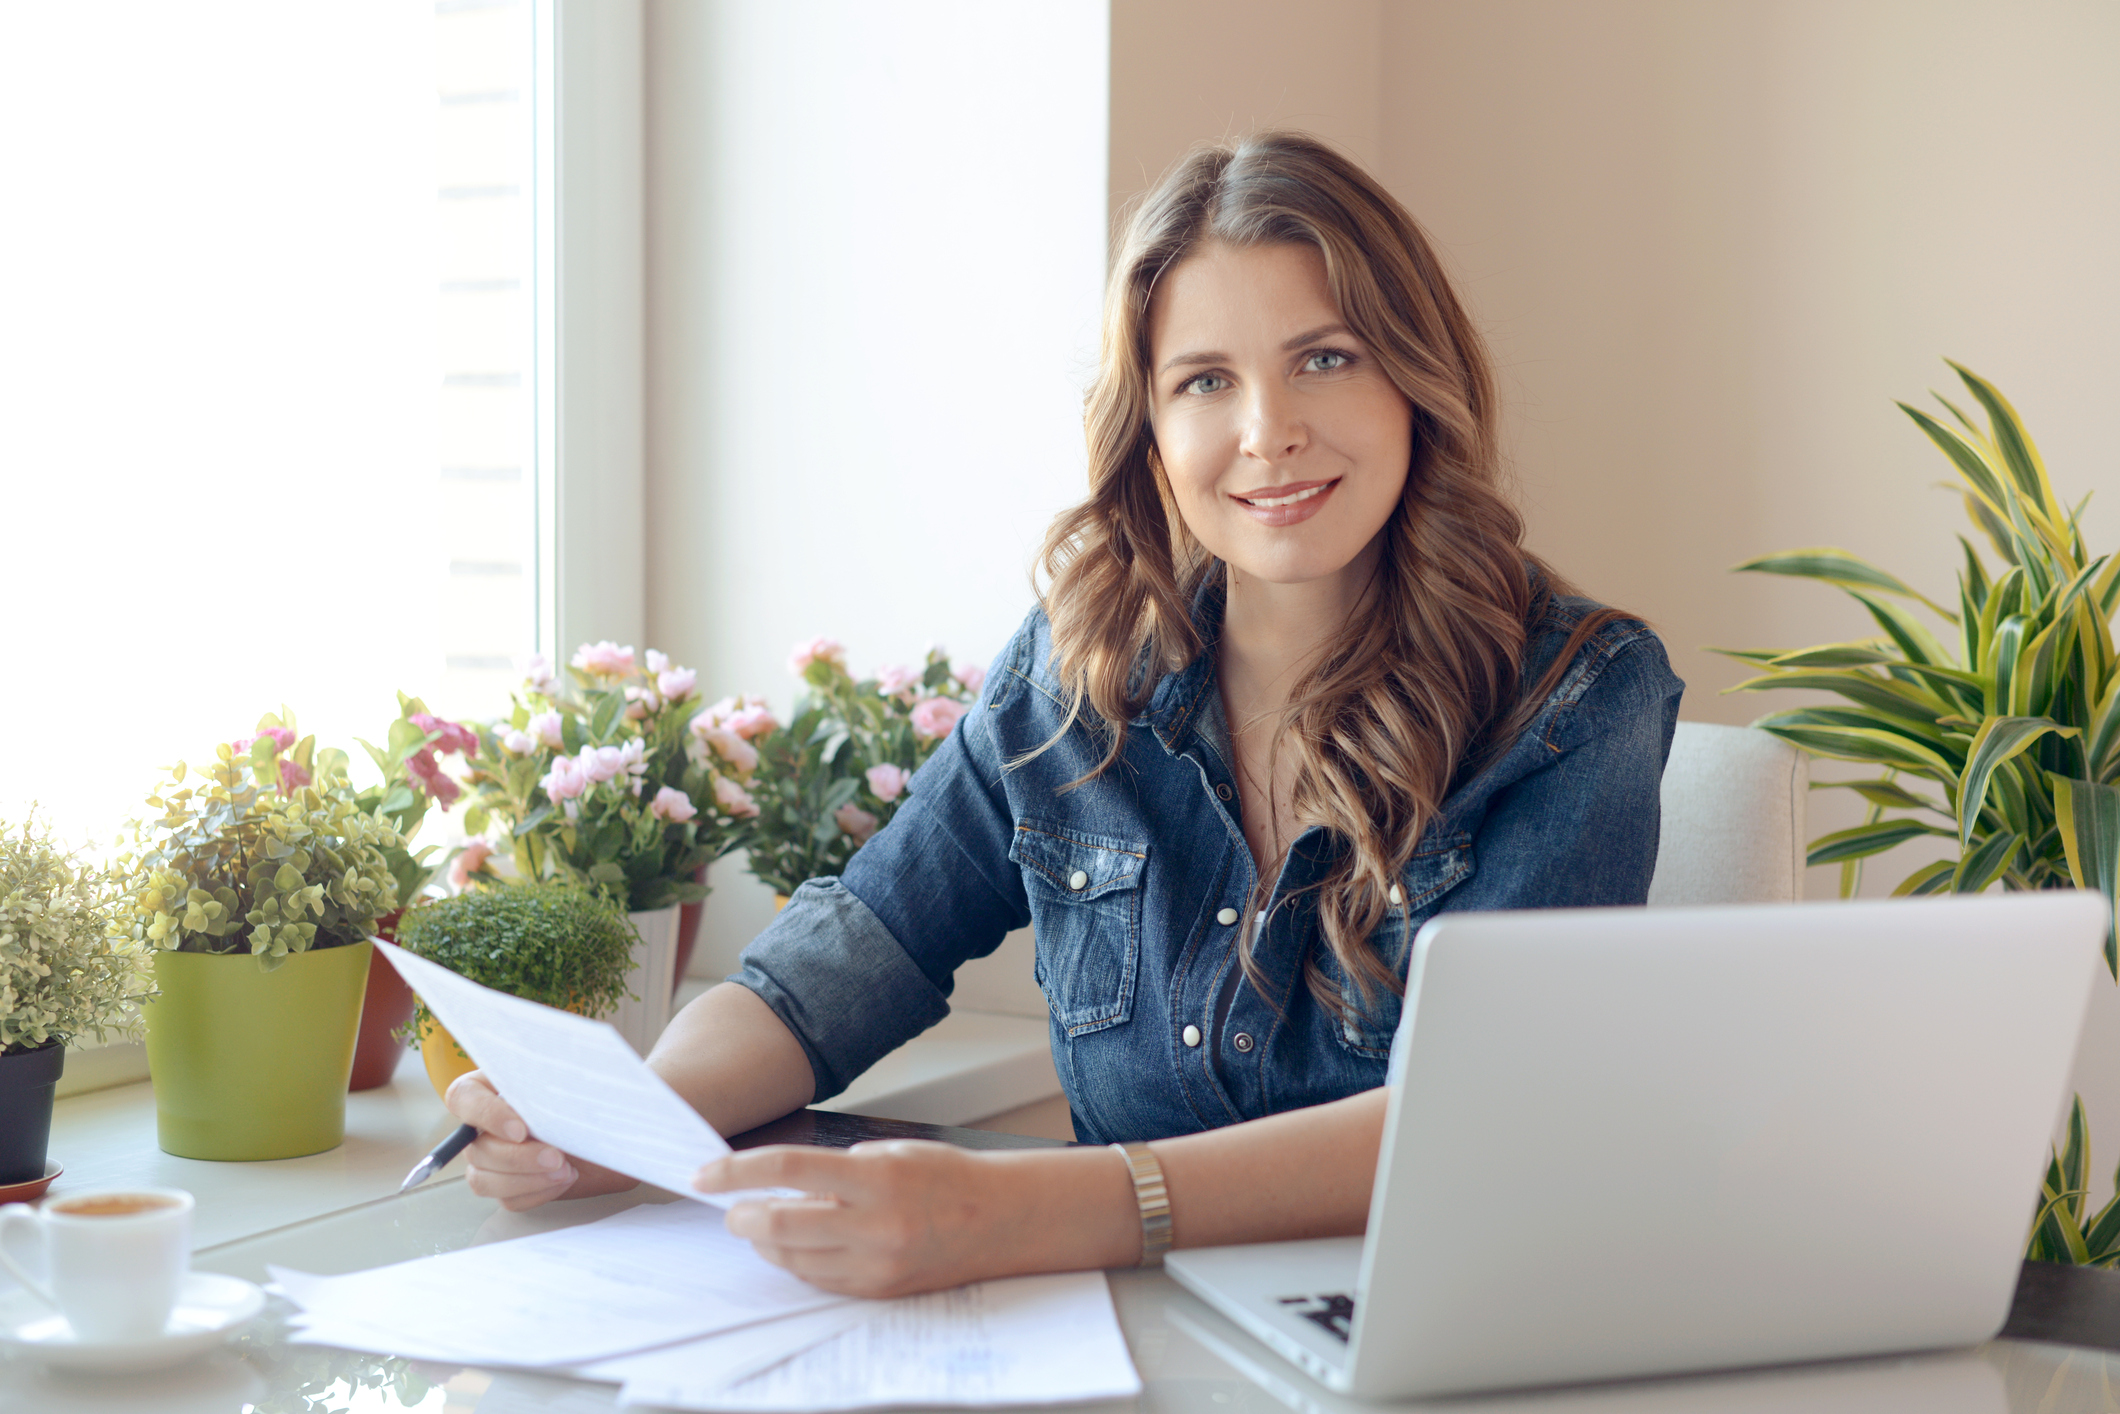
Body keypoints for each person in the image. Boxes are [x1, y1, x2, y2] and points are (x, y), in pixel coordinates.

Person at [445, 132, 1684, 1298]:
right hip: (1111, 1332)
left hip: (1414, 1325)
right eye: (1205, 380)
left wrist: (1028, 1214)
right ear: (1149, 429)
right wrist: (622, 1128)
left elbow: (1477, 1116)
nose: (1269, 433)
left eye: (1325, 356)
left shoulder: (1577, 694)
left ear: (1415, 378)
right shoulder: (1075, 671)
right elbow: (849, 956)